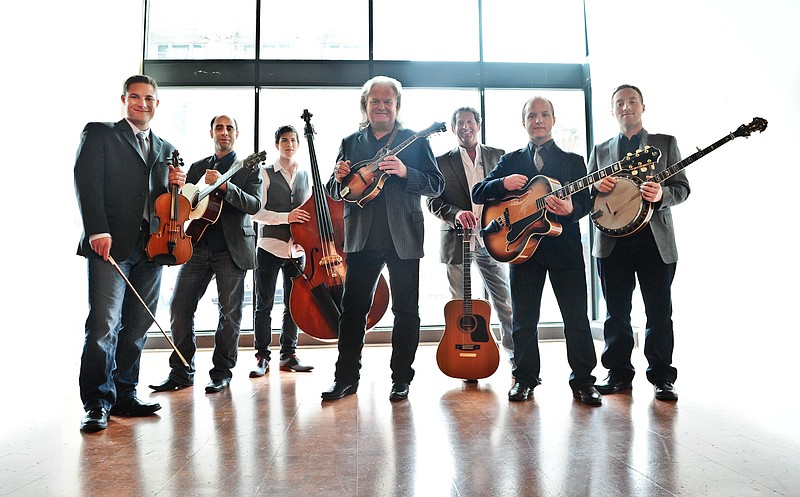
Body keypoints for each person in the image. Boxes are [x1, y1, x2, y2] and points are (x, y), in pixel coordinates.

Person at [471, 97, 601, 406]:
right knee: (524, 320)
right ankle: (525, 379)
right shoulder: (512, 160)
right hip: (520, 249)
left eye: (544, 115)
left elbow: (586, 202)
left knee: (576, 319)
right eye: (532, 115)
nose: (538, 120)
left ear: (554, 120)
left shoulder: (573, 161)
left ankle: (583, 381)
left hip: (564, 250)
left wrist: (571, 209)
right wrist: (502, 183)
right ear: (524, 122)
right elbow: (478, 192)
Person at [322, 75, 445, 402]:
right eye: (374, 101)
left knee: (406, 311)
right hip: (361, 238)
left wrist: (406, 173)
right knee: (352, 311)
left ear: (396, 105)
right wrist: (337, 179)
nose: (380, 106)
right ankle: (345, 379)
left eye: (387, 101)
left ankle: (401, 380)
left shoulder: (415, 140)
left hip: (404, 236)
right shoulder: (351, 142)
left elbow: (436, 185)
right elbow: (334, 192)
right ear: (366, 105)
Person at [74, 74, 185, 432]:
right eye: (135, 97)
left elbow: (163, 203)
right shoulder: (101, 133)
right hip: (109, 244)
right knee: (104, 325)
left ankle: (125, 394)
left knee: (137, 326)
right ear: (124, 99)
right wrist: (97, 230)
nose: (142, 103)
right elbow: (86, 182)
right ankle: (97, 402)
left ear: (157, 103)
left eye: (149, 98)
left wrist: (176, 186)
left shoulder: (166, 148)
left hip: (152, 248)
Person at [588, 85, 689, 401]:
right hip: (612, 244)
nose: (626, 106)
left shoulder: (664, 143)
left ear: (643, 107)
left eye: (632, 101)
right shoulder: (601, 149)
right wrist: (596, 189)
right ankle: (618, 374)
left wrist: (662, 195)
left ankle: (662, 377)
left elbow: (682, 188)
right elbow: (587, 197)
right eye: (619, 102)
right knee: (615, 313)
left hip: (654, 243)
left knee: (659, 312)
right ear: (613, 110)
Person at [149, 115, 262, 394]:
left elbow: (255, 204)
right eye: (219, 128)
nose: (224, 133)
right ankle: (182, 370)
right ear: (211, 132)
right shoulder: (199, 166)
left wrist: (226, 187)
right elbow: (185, 204)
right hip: (196, 246)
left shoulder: (249, 168)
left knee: (230, 314)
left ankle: (222, 372)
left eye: (229, 128)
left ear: (237, 133)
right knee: (179, 307)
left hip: (231, 250)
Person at [426, 106, 515, 370]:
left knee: (505, 303)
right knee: (460, 307)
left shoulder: (499, 156)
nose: (465, 127)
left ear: (478, 124)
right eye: (460, 123)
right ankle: (464, 359)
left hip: (494, 241)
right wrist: (455, 214)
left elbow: (511, 197)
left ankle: (515, 358)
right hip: (457, 243)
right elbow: (432, 201)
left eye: (470, 122)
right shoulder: (441, 162)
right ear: (453, 129)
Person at [249, 125, 314, 377]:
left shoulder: (305, 175)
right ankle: (261, 357)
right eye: (284, 140)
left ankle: (288, 354)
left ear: (298, 144)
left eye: (293, 140)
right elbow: (256, 212)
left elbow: (307, 213)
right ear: (277, 145)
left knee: (293, 305)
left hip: (297, 250)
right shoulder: (264, 174)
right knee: (263, 305)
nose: (289, 144)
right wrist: (287, 217)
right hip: (269, 248)